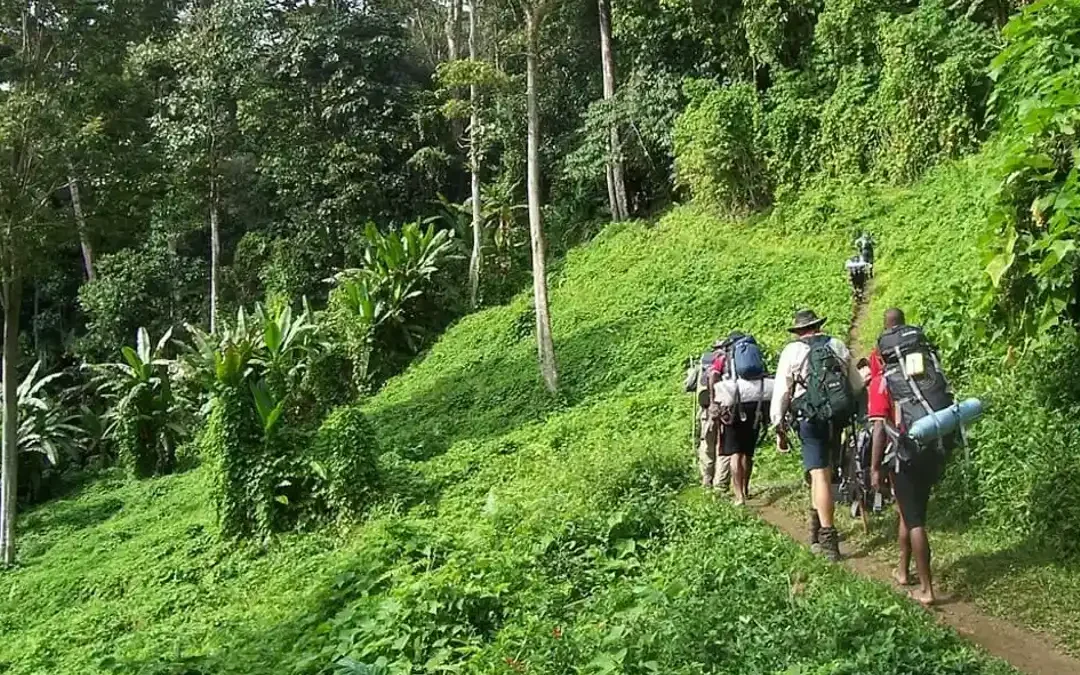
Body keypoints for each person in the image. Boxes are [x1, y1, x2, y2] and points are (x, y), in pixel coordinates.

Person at [771, 309, 865, 561]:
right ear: (818, 326)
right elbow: (856, 385)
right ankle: (816, 529)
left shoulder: (792, 352)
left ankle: (828, 539)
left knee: (819, 475)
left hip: (809, 419)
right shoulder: (837, 344)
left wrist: (778, 427)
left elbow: (781, 392)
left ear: (799, 331)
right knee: (824, 472)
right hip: (836, 417)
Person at [868, 307, 943, 607]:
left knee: (915, 521)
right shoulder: (924, 368)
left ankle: (927, 589)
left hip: (904, 456)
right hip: (932, 446)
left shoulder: (885, 380)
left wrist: (874, 468)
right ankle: (902, 571)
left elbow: (878, 430)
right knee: (909, 510)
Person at [714, 371, 774, 506]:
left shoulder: (725, 359)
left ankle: (739, 496)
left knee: (736, 454)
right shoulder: (756, 368)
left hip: (733, 410)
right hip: (755, 409)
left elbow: (715, 383)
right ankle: (745, 489)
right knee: (747, 453)